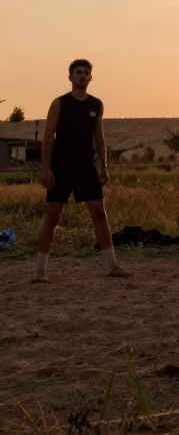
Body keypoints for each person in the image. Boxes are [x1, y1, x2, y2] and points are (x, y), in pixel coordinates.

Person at [35, 59, 131, 281]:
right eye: (78, 72)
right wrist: (46, 169)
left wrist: (104, 166)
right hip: (61, 166)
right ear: (70, 77)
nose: (82, 76)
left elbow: (99, 137)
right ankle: (40, 271)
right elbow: (48, 138)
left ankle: (112, 265)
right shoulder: (59, 103)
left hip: (85, 167)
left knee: (99, 213)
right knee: (52, 216)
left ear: (90, 78)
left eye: (86, 73)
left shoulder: (96, 105)